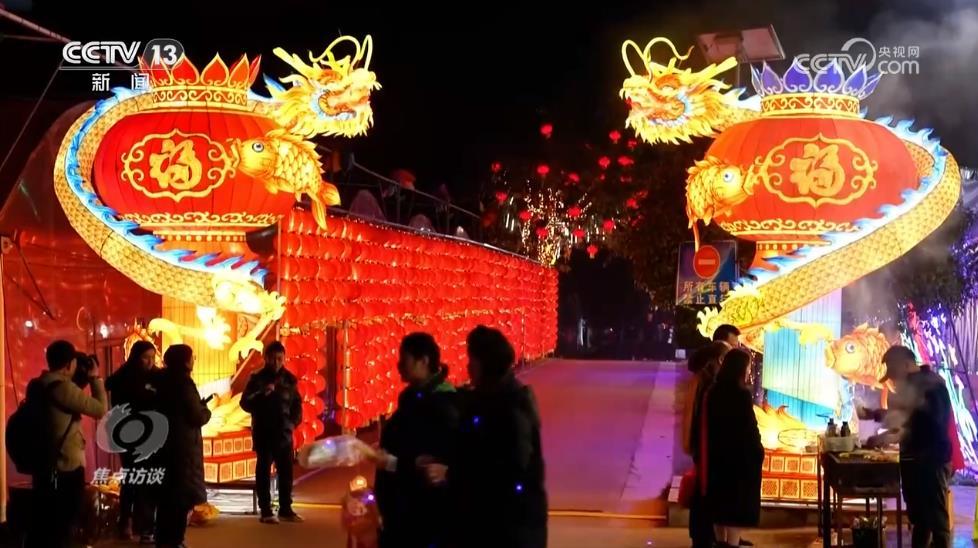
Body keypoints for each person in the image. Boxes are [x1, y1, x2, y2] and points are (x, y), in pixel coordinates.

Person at [443, 325, 547, 548]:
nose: (468, 367)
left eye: (472, 360)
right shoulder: (483, 400)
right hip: (495, 524)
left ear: (485, 364)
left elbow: (509, 471)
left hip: (509, 529)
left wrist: (454, 474)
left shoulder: (512, 408)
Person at [370, 333, 459, 547]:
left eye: (404, 359)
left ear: (423, 361)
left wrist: (392, 462)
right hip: (399, 512)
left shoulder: (443, 405)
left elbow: (426, 461)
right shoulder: (412, 399)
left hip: (421, 515)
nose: (399, 365)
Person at [860, 346, 952, 548]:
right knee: (919, 520)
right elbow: (902, 417)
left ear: (905, 364)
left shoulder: (933, 386)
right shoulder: (909, 387)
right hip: (912, 462)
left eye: (893, 373)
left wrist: (891, 436)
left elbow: (929, 425)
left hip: (931, 462)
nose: (893, 380)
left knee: (937, 521)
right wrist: (874, 415)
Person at [25, 340, 108, 548]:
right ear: (70, 364)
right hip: (66, 466)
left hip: (45, 464)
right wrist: (95, 378)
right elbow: (99, 409)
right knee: (64, 521)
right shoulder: (62, 388)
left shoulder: (39, 384)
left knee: (46, 520)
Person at [701, 349, 763, 548]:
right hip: (738, 459)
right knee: (736, 506)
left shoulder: (713, 391)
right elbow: (749, 428)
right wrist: (758, 451)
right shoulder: (741, 395)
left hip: (716, 456)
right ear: (740, 369)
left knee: (719, 504)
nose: (749, 371)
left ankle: (720, 542)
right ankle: (732, 543)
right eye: (748, 368)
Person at [240, 341, 303, 524]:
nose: (276, 362)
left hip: (284, 432)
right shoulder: (257, 379)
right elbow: (245, 403)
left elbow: (297, 404)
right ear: (265, 358)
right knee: (264, 472)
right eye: (273, 358)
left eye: (279, 359)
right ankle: (266, 510)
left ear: (284, 358)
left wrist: (293, 422)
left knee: (286, 472)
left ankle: (285, 508)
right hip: (264, 432)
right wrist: (262, 394)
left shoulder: (290, 379)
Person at [155, 344, 211, 548]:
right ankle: (175, 540)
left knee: (167, 499)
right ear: (186, 361)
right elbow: (196, 416)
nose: (194, 360)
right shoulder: (184, 383)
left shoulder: (160, 380)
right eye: (192, 357)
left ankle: (164, 540)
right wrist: (205, 410)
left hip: (164, 445)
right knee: (180, 499)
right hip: (183, 448)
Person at [106, 340, 159, 544]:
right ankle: (132, 523)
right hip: (129, 434)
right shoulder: (124, 377)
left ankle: (133, 523)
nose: (150, 362)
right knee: (135, 479)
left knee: (138, 478)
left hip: (147, 434)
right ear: (136, 357)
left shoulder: (154, 376)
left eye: (152, 357)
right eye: (146, 358)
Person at [682, 341, 730, 548]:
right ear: (719, 359)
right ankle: (702, 538)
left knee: (703, 494)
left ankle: (701, 537)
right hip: (707, 446)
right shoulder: (709, 383)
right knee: (704, 495)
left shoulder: (702, 379)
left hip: (702, 445)